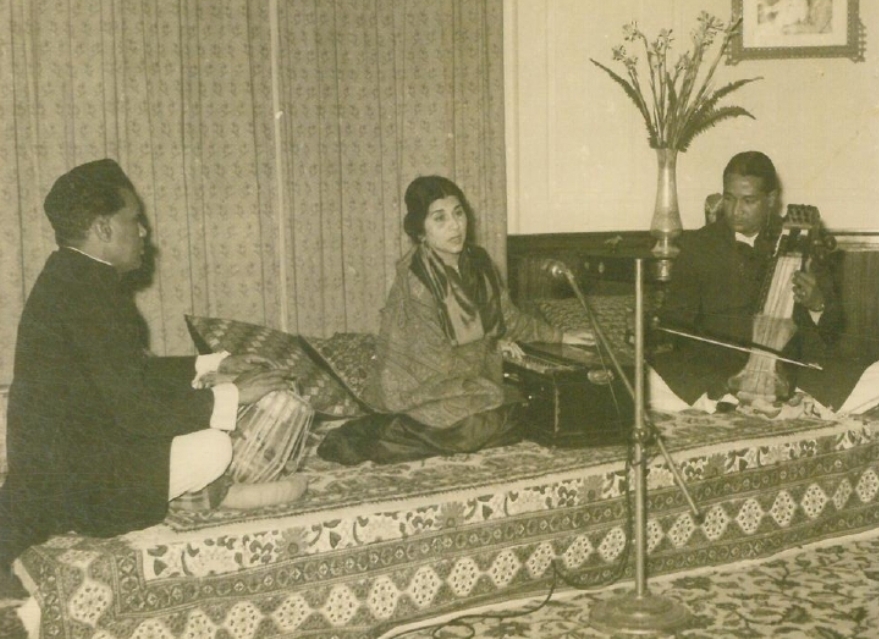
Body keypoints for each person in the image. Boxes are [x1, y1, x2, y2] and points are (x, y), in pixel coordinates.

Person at [0, 159, 303, 600]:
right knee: (214, 447)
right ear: (103, 228)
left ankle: (200, 492)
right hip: (79, 480)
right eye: (134, 219)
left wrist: (211, 365)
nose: (143, 232)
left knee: (195, 431)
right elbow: (137, 409)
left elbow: (127, 374)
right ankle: (205, 495)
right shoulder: (91, 294)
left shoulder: (73, 278)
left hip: (64, 463)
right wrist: (232, 395)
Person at [317, 175, 594, 465]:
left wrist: (559, 336)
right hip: (417, 386)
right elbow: (432, 359)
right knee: (481, 423)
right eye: (440, 218)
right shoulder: (416, 280)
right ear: (420, 231)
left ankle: (420, 431)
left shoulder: (479, 261)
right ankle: (392, 428)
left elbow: (507, 316)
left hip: (464, 378)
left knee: (519, 412)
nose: (455, 225)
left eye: (458, 213)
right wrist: (493, 348)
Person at [649, 151, 879, 418]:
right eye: (729, 198)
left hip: (788, 370)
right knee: (643, 376)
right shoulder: (698, 245)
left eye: (749, 201)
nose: (736, 210)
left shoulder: (801, 238)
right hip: (721, 368)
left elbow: (833, 327)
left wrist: (816, 303)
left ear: (771, 200)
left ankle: (752, 407)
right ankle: (751, 405)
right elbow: (677, 323)